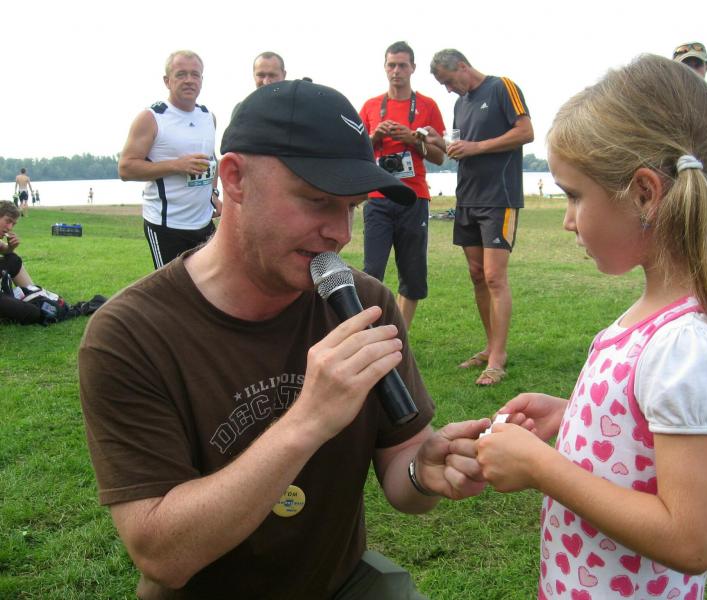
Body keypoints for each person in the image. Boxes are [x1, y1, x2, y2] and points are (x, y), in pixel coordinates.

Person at [79, 79, 490, 599]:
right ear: (234, 178)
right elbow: (163, 556)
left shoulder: (364, 305)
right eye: (317, 200)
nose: (340, 232)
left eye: (351, 207)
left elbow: (403, 474)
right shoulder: (130, 334)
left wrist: (421, 472)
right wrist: (308, 419)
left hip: (338, 585)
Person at [472, 55, 707, 599]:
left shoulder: (685, 345)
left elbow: (690, 539)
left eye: (574, 195)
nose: (567, 221)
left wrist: (542, 467)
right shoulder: (657, 323)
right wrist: (574, 414)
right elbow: (647, 425)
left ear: (644, 193)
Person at [430, 49, 534, 385]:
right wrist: (439, 143)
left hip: (498, 198)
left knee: (494, 277)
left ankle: (498, 359)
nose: (449, 90)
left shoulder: (503, 87)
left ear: (462, 66)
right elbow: (461, 149)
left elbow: (526, 132)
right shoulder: (460, 105)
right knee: (476, 274)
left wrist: (478, 146)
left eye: (449, 81)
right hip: (467, 197)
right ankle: (490, 347)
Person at [359, 41, 446, 328]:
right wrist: (375, 137)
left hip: (414, 197)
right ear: (385, 68)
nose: (396, 71)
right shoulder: (371, 106)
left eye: (402, 65)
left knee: (412, 273)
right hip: (378, 197)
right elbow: (357, 153)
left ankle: (400, 335)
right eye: (391, 65)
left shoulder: (427, 106)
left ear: (413, 68)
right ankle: (369, 333)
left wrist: (412, 139)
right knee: (372, 271)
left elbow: (439, 156)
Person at [118, 50, 221, 270]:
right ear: (167, 81)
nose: (189, 80)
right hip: (167, 225)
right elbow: (126, 168)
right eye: (181, 74)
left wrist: (214, 194)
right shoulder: (152, 117)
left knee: (211, 283)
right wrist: (176, 165)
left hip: (203, 222)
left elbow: (212, 159)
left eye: (195, 74)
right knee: (174, 288)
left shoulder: (208, 116)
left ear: (202, 80)